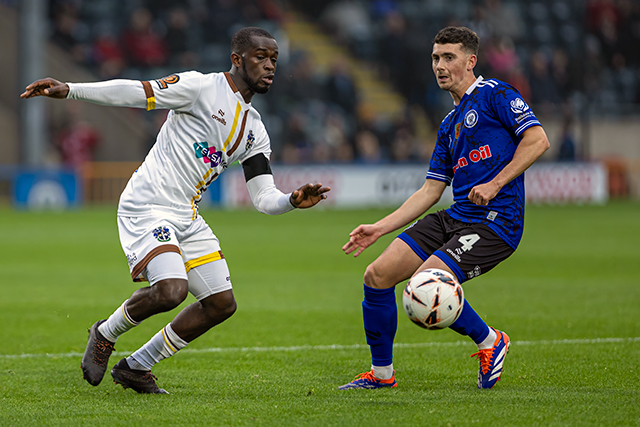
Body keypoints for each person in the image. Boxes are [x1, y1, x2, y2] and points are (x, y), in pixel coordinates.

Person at [21, 27, 330, 394]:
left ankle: (136, 366)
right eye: (260, 57)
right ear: (236, 59)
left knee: (220, 304)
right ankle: (104, 333)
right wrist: (72, 88)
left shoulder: (255, 131)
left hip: (186, 214)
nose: (269, 66)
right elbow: (137, 92)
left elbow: (263, 198)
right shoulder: (200, 87)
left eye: (274, 59)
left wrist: (291, 201)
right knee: (171, 291)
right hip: (148, 204)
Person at [339, 26, 549, 390]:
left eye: (449, 57)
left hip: (497, 222)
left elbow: (538, 139)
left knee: (428, 282)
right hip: (457, 218)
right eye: (436, 58)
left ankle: (490, 341)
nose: (440, 65)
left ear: (471, 61)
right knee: (377, 275)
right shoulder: (449, 124)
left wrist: (495, 183)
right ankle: (382, 375)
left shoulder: (494, 94)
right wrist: (379, 227)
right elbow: (429, 191)